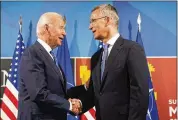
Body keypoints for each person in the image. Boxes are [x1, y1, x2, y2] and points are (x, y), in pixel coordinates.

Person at [76, 4, 149, 120]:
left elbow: (140, 94)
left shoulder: (131, 49)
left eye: (93, 21)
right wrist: (77, 105)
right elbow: (96, 94)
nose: (90, 26)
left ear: (107, 20)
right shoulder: (95, 57)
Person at [18, 12, 85, 120]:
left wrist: (84, 88)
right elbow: (39, 93)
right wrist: (69, 105)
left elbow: (57, 92)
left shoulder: (50, 56)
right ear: (47, 28)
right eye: (61, 28)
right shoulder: (32, 54)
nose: (64, 33)